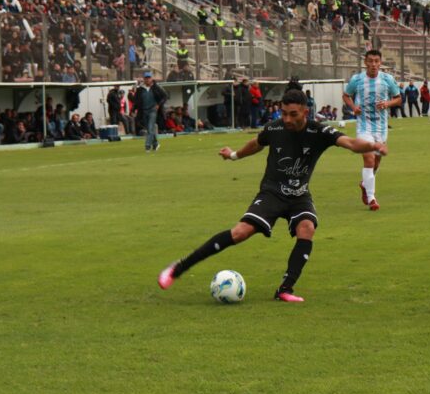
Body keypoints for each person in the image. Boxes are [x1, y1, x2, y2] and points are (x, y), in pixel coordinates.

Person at [158, 89, 389, 302]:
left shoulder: (319, 131)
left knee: (307, 228)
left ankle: (285, 290)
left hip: (299, 195)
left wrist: (373, 145)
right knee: (240, 233)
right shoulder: (275, 128)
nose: (287, 119)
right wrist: (234, 155)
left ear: (305, 112)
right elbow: (256, 144)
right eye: (284, 113)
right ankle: (177, 269)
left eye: (293, 114)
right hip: (271, 193)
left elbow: (350, 143)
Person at [342, 50, 402, 211]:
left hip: (381, 127)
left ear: (380, 62)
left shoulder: (387, 79)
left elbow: (398, 98)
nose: (373, 64)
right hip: (364, 125)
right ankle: (372, 198)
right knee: (368, 159)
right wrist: (354, 107)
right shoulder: (357, 79)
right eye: (370, 61)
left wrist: (387, 104)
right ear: (365, 62)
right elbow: (346, 95)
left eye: (376, 61)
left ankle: (365, 184)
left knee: (376, 161)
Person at [134, 71, 168, 151]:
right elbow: (137, 100)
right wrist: (134, 109)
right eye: (146, 78)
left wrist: (158, 104)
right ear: (144, 79)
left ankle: (147, 146)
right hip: (144, 111)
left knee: (150, 128)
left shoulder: (156, 87)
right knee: (149, 129)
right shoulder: (140, 89)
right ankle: (156, 144)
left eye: (149, 78)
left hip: (153, 110)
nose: (147, 80)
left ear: (151, 79)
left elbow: (165, 96)